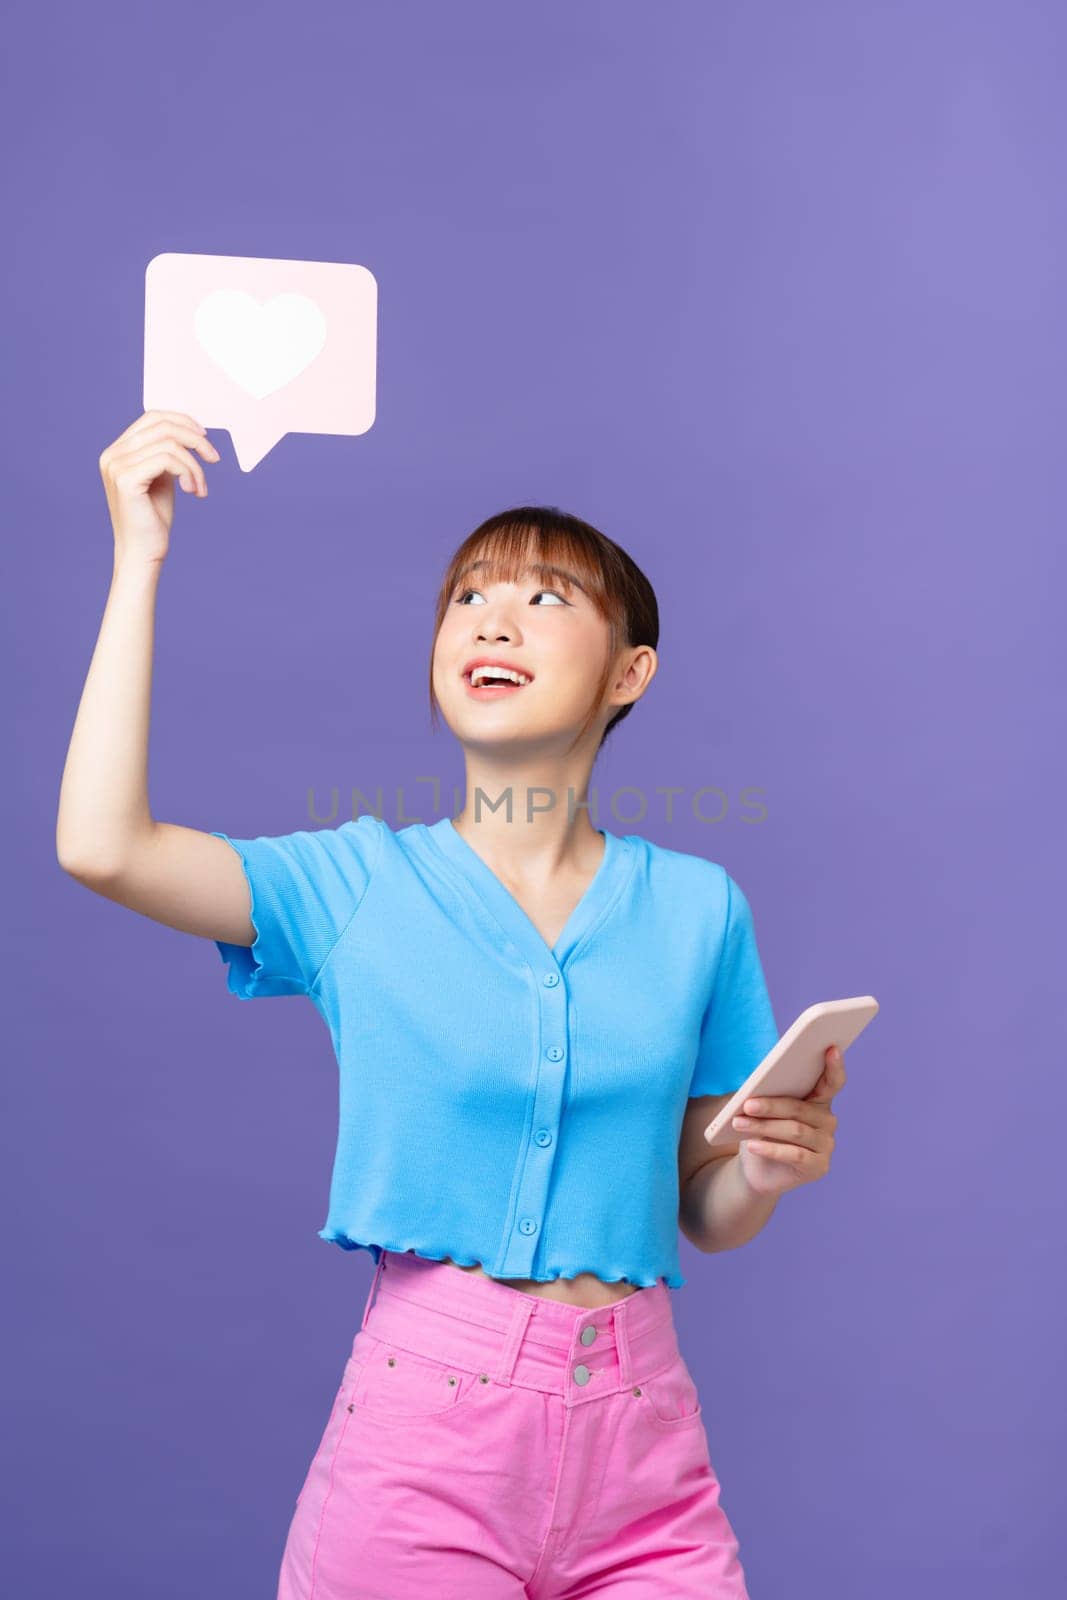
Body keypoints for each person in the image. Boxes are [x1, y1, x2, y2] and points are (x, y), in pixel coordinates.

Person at [58, 410, 845, 1598]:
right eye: (469, 594)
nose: (490, 615)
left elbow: (704, 1209)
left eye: (545, 599)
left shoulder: (697, 908)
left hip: (645, 1449)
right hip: (424, 1439)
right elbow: (103, 846)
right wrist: (138, 561)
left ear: (629, 671)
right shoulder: (353, 883)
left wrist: (766, 1170)